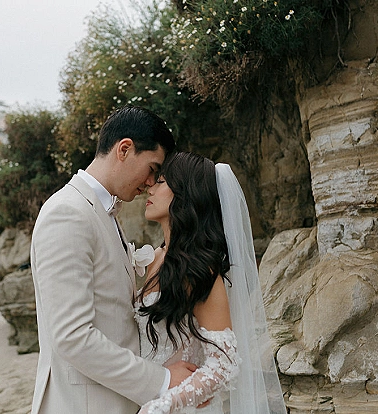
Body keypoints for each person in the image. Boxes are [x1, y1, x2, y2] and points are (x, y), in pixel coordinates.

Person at [30, 106, 197, 414]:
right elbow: (72, 336)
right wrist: (160, 380)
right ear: (124, 149)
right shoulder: (68, 214)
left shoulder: (101, 211)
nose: (151, 182)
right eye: (152, 168)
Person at [136, 152, 287, 413]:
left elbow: (223, 362)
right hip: (143, 393)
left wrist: (164, 405)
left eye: (161, 182)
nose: (150, 185)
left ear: (184, 195)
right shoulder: (153, 257)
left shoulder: (197, 270)